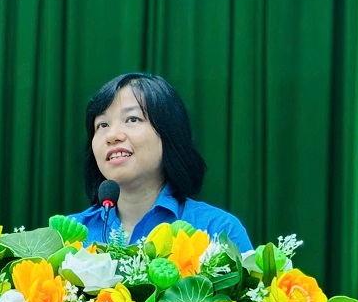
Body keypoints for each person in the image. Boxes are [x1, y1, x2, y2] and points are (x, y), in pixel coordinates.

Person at [70, 72, 253, 251]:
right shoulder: (69, 238)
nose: (112, 136)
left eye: (132, 119)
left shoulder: (218, 231)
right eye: (102, 125)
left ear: (169, 134)